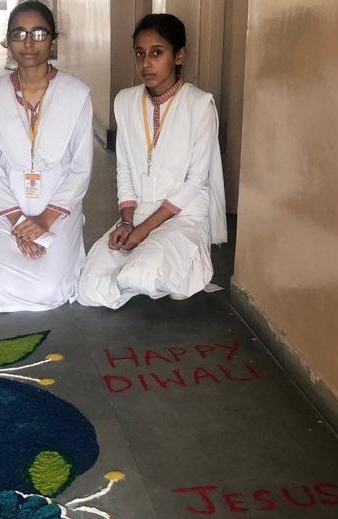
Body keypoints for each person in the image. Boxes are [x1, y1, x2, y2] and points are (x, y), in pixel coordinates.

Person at [78, 13, 226, 308]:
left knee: (138, 274)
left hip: (184, 212)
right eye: (140, 53)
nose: (146, 63)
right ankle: (163, 263)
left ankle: (191, 263)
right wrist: (126, 223)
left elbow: (196, 181)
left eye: (157, 53)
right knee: (89, 287)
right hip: (140, 210)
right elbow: (124, 168)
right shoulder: (125, 101)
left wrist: (142, 232)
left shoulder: (199, 105)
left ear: (179, 55)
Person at [0, 0, 92, 312]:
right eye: (19, 34)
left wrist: (43, 220)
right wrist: (19, 224)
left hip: (58, 210)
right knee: (0, 289)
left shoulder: (76, 94)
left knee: (50, 288)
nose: (28, 43)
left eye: (39, 34)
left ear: (53, 41)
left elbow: (81, 168)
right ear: (8, 41)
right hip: (10, 210)